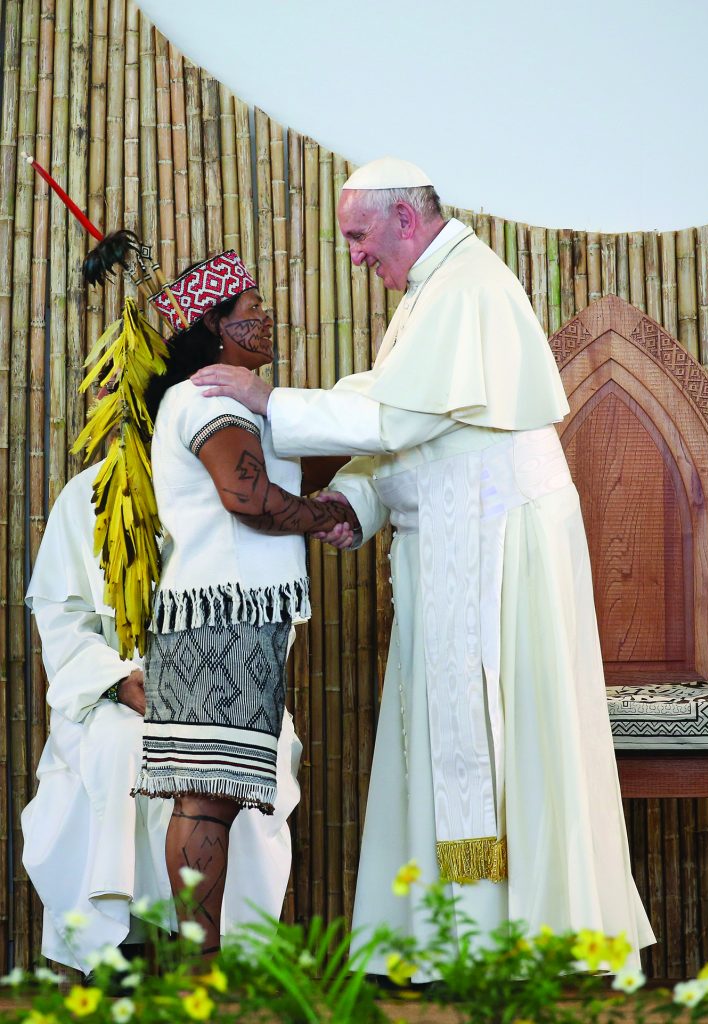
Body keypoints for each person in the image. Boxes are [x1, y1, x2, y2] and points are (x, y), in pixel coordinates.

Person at [191, 159, 655, 973]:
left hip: (500, 550)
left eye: (359, 237)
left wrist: (272, 401)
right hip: (450, 540)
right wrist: (359, 509)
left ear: (406, 218)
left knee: (514, 738)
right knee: (451, 739)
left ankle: (532, 941)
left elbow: (399, 416)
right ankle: (452, 941)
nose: (354, 256)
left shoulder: (469, 286)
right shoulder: (427, 296)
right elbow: (411, 425)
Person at [131, 251, 358, 957]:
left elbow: (278, 471)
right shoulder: (208, 399)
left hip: (226, 618)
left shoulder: (229, 402)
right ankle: (198, 963)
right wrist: (322, 518)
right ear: (215, 329)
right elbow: (249, 498)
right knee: (205, 796)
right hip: (218, 621)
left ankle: (201, 958)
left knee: (214, 795)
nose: (264, 318)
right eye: (248, 308)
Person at [21, 463, 303, 974]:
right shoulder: (87, 495)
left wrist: (209, 682)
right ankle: (115, 952)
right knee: (115, 748)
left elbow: (270, 610)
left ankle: (217, 958)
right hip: (113, 689)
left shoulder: (234, 490)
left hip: (222, 688)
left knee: (229, 759)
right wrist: (119, 681)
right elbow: (63, 623)